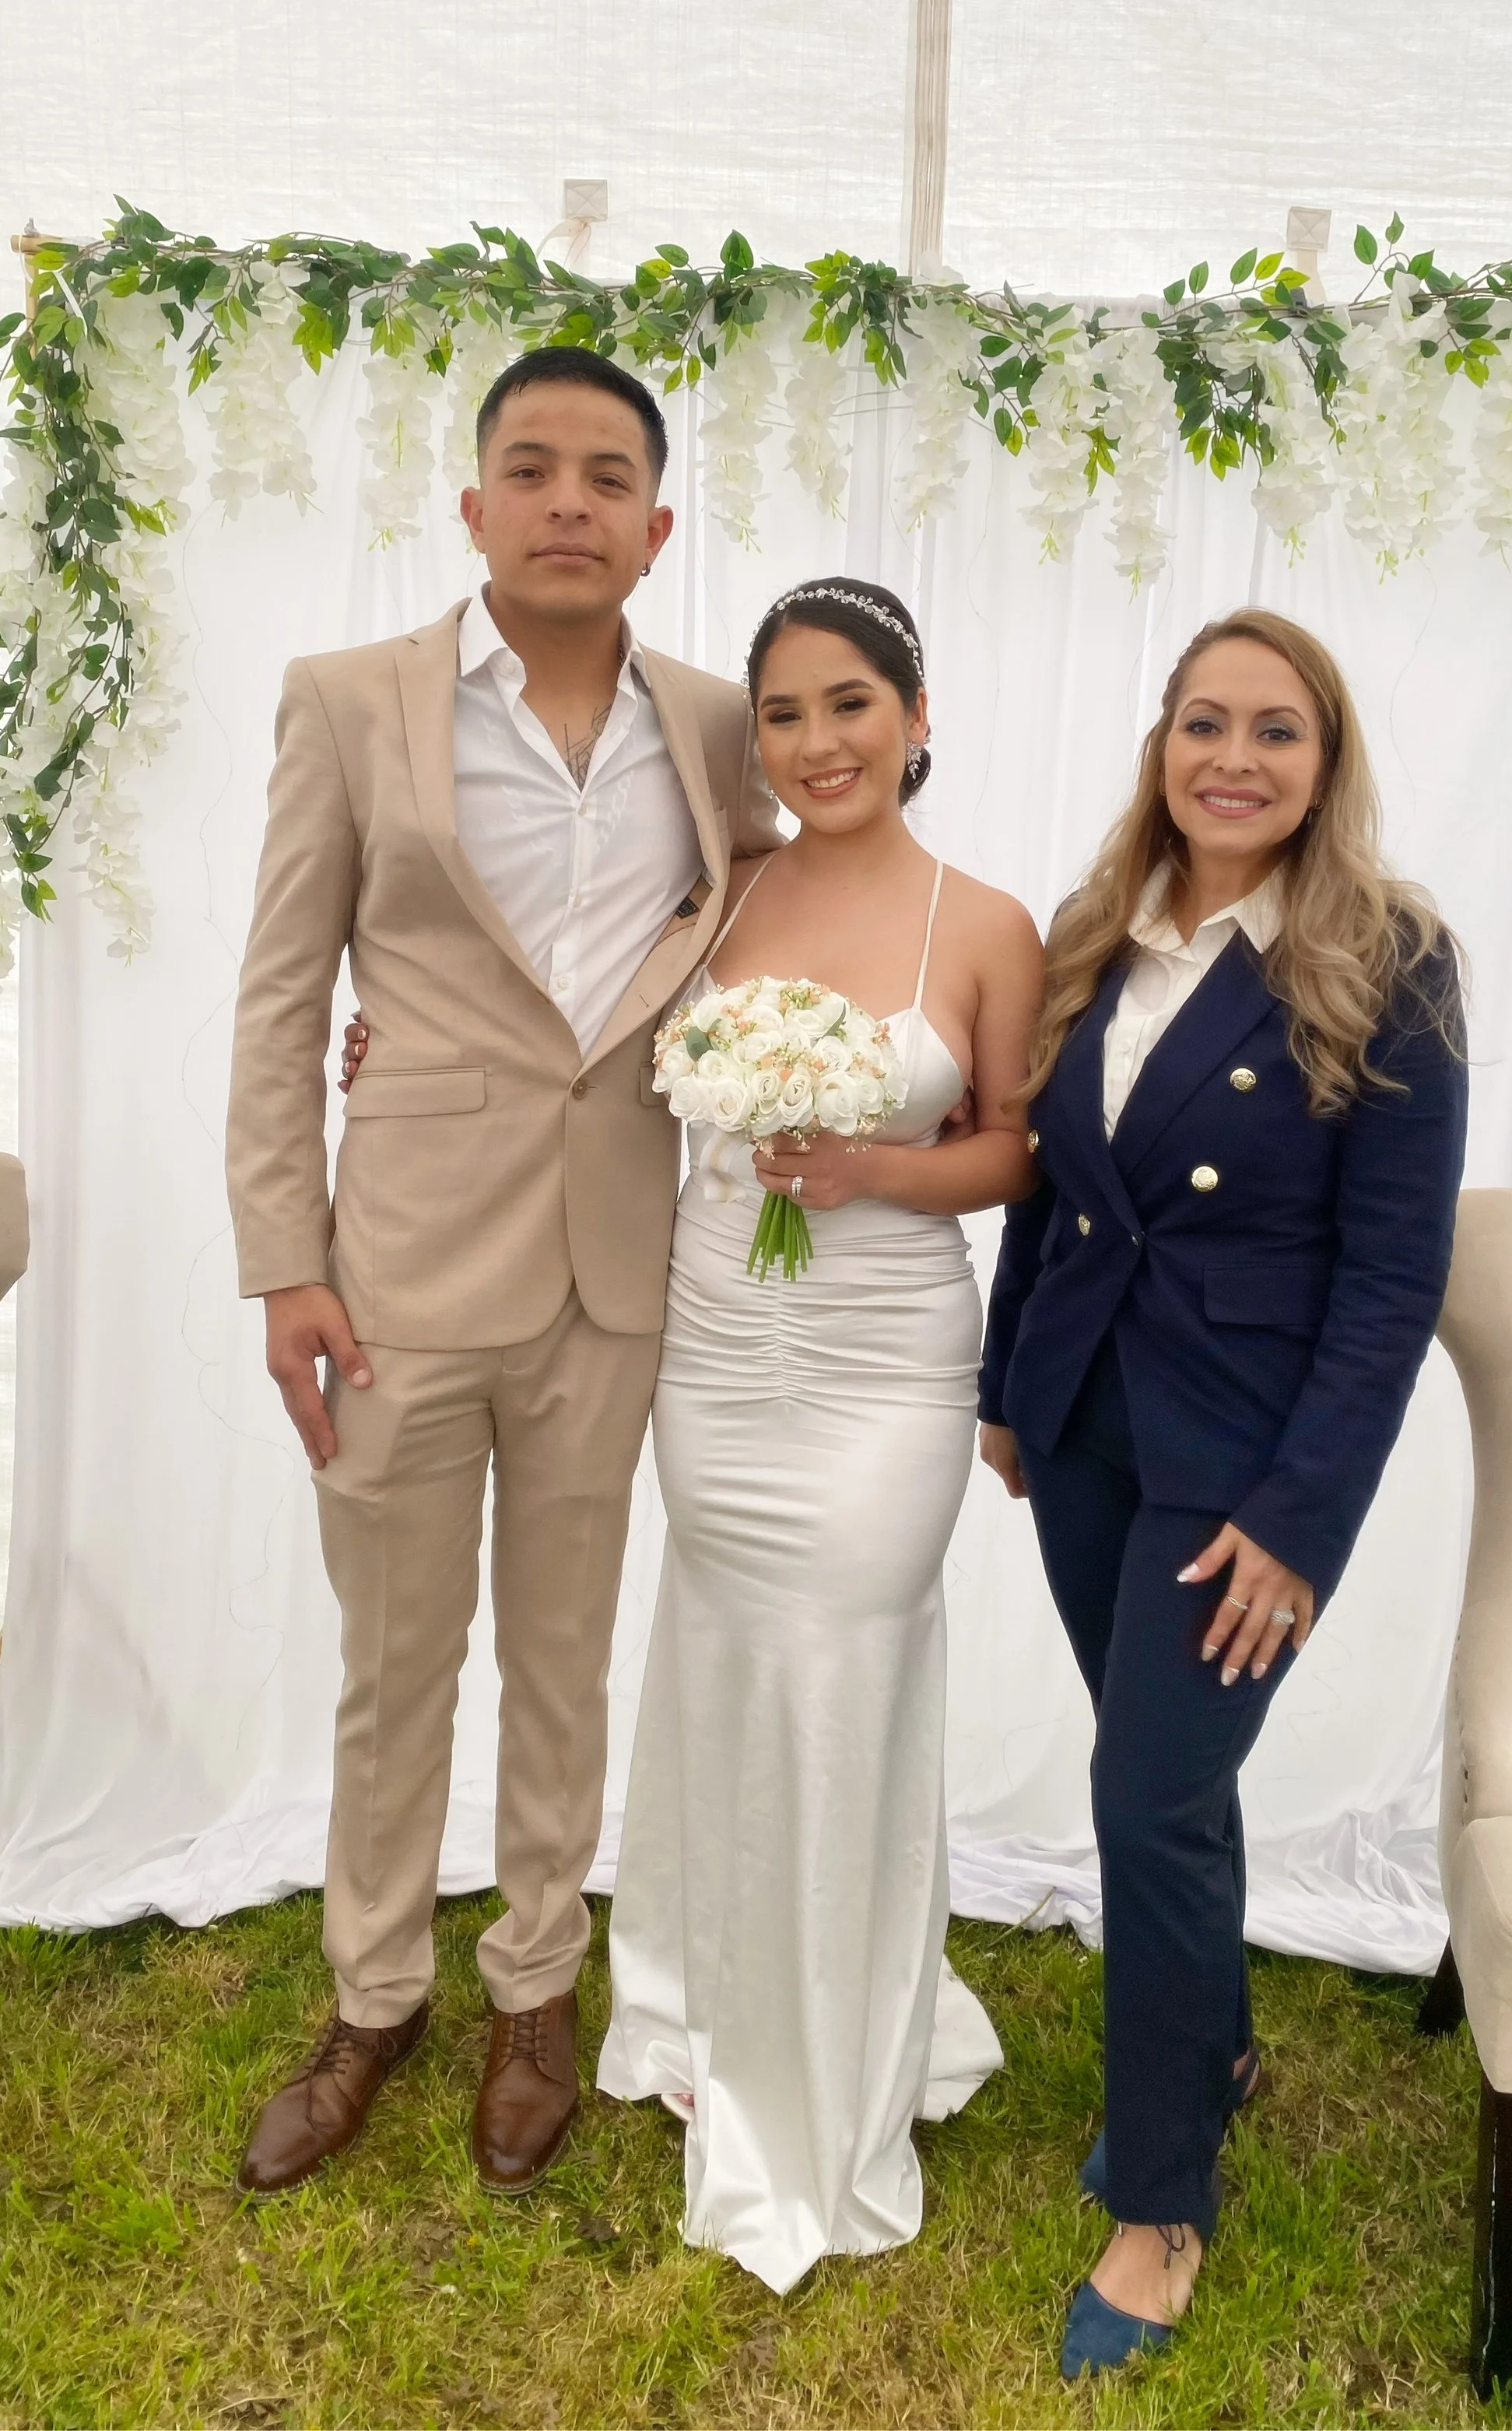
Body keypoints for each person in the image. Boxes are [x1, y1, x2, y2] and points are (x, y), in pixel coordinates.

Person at [223, 346, 781, 2198]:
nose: (567, 500)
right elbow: (285, 994)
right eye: (530, 468)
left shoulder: (719, 728)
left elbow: (785, 919)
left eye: (605, 475)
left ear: (653, 526)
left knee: (562, 1656)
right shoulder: (348, 701)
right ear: (470, 507)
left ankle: (535, 1979)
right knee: (395, 1662)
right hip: (389, 1268)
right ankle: (372, 1991)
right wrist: (282, 1256)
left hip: (617, 1270)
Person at [977, 607, 1468, 2378]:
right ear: (1158, 745)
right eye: (1204, 723)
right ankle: (1221, 2044)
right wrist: (1006, 1380)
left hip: (1240, 1469)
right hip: (1084, 1430)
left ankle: (1161, 2196)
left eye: (1276, 729)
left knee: (1142, 1794)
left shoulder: (1390, 954)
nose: (1234, 759)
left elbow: (1389, 1279)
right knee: (1166, 1780)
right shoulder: (1100, 928)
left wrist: (1301, 1517)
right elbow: (1052, 1178)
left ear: (1322, 762)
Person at [594, 579, 1046, 2291]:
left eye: (848, 703)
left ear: (916, 717)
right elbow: (581, 1042)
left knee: (841, 1665)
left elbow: (1013, 1148)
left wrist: (868, 1165)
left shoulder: (982, 921)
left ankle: (824, 2063)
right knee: (721, 1656)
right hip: (715, 1338)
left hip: (880, 1361)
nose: (813, 741)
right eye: (781, 713)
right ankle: (707, 2002)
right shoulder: (715, 895)